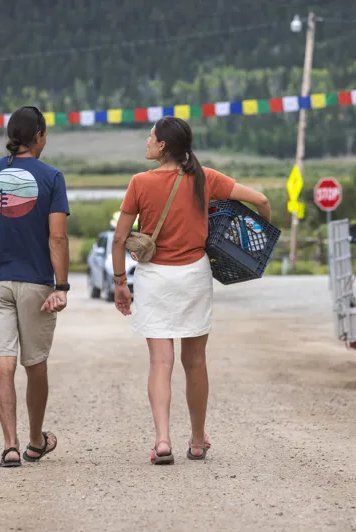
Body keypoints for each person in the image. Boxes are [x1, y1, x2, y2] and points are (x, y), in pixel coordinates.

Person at [112, 117, 271, 465]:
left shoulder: (139, 183)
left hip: (155, 278)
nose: (147, 142)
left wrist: (120, 283)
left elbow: (120, 238)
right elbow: (260, 199)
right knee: (195, 362)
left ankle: (163, 441)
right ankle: (198, 441)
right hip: (194, 276)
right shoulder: (205, 177)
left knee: (160, 362)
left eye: (151, 138)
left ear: (163, 146)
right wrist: (261, 234)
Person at [0, 106, 71, 468]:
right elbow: (57, 237)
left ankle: (9, 446)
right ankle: (36, 442)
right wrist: (63, 285)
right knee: (35, 364)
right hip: (37, 284)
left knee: (2, 363)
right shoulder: (51, 177)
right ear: (38, 136)